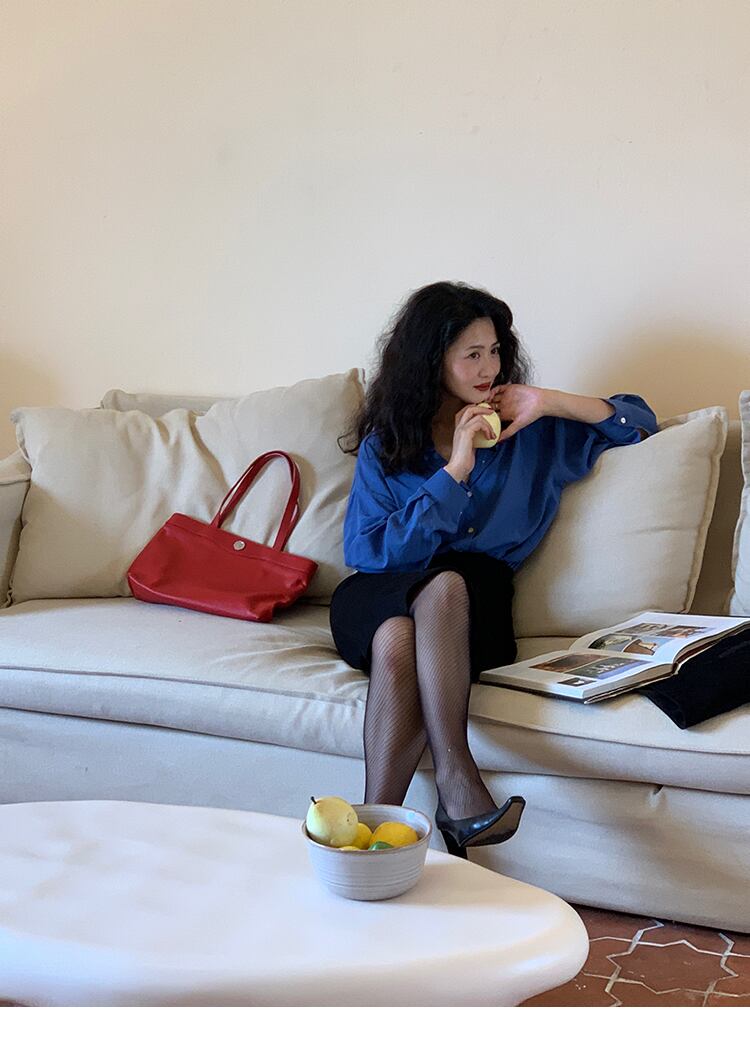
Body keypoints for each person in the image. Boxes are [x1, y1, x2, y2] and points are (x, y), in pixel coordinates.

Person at [330, 281, 658, 857]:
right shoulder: (391, 442)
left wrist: (549, 401)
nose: (489, 368)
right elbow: (369, 552)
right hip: (381, 590)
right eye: (471, 355)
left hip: (471, 608)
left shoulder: (533, 434)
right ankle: (454, 786)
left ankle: (369, 836)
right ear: (432, 363)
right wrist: (454, 470)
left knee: (408, 630)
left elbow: (639, 424)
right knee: (407, 615)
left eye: (495, 351)